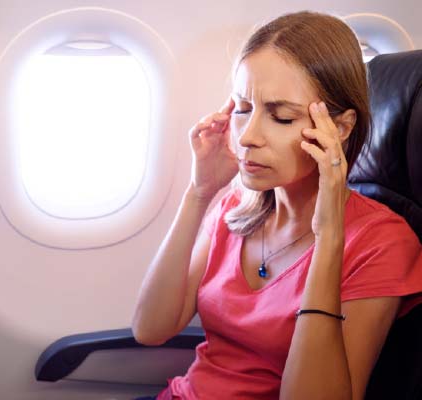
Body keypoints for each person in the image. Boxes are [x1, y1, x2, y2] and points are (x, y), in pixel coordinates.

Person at [131, 10, 422, 400]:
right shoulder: (235, 207)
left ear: (339, 128)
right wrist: (198, 194)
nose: (248, 136)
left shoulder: (381, 244)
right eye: (242, 109)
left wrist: (329, 235)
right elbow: (151, 329)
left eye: (281, 117)